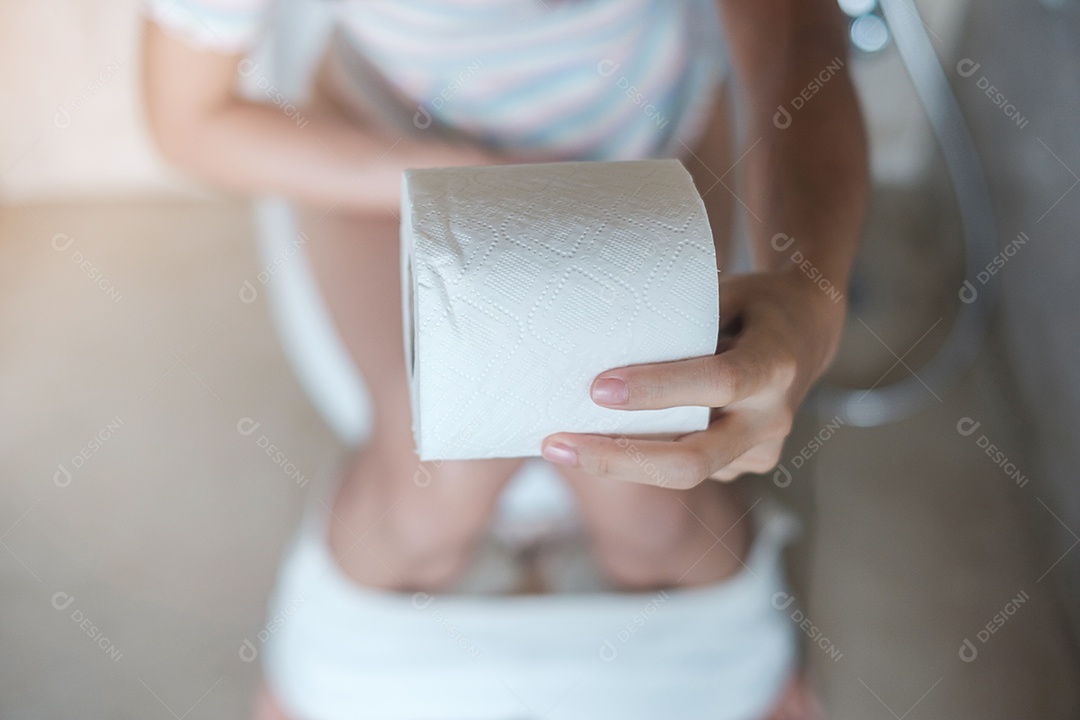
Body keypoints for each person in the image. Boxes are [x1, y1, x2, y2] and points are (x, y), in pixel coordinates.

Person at [142, 1, 867, 717]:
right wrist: (465, 179)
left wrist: (810, 290)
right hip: (389, 140)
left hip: (648, 149)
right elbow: (190, 119)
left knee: (648, 506)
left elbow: (796, 27)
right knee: (429, 492)